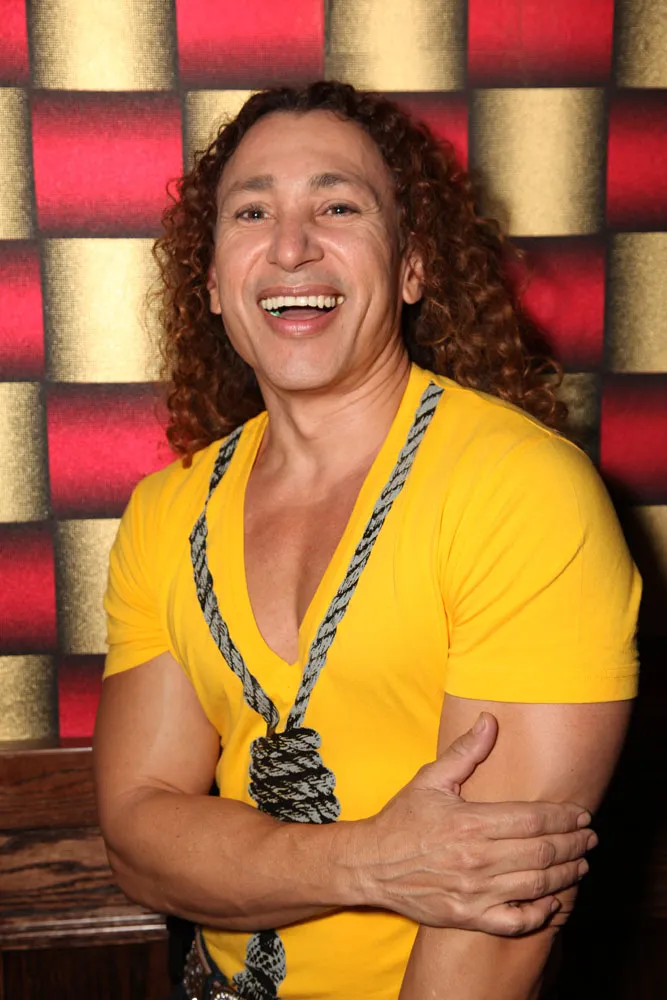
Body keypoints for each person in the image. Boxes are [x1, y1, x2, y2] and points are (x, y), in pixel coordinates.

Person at [94, 82, 641, 1000]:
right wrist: (370, 862)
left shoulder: (519, 493)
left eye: (337, 206)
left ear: (413, 265)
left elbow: (493, 905)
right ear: (215, 283)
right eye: (252, 211)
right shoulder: (165, 512)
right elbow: (139, 840)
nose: (291, 245)